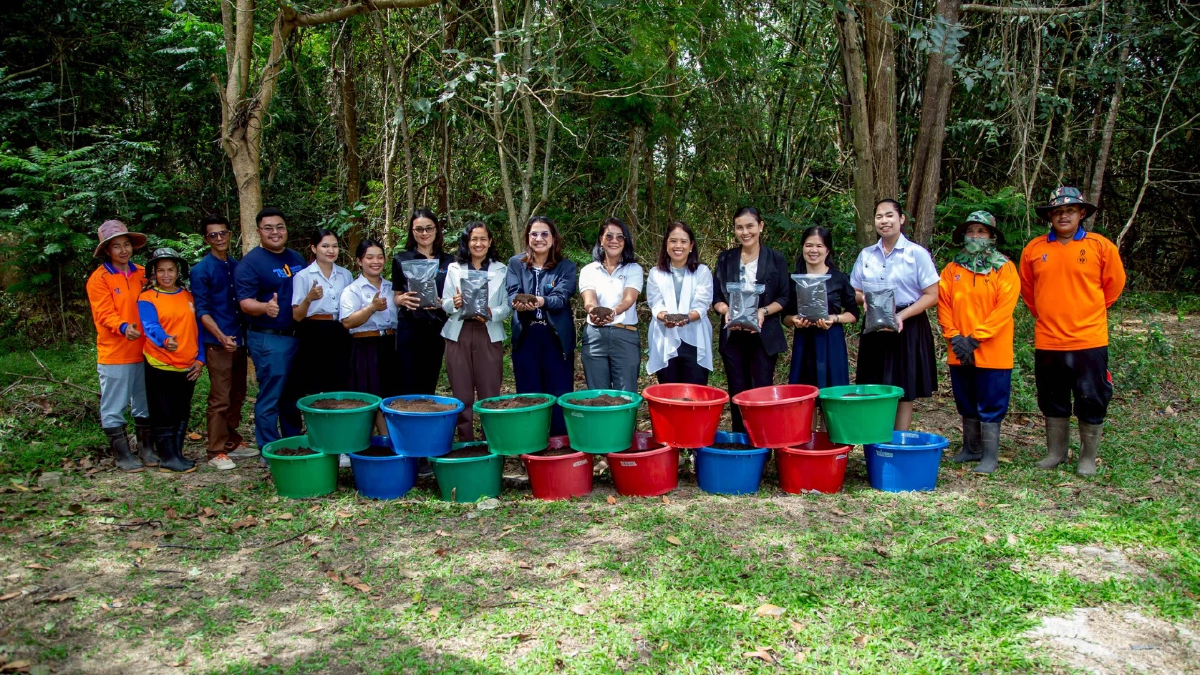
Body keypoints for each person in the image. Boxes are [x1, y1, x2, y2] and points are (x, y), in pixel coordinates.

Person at [1019, 186, 1126, 476]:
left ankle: (1087, 458)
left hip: (1088, 339)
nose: (1063, 216)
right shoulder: (1035, 249)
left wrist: (1085, 311)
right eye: (1057, 211)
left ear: (1081, 213)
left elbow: (1113, 287)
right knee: (1052, 396)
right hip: (1049, 339)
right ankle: (1056, 452)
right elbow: (1028, 291)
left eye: (1069, 210)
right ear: (1049, 217)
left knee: (1091, 397)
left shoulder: (1100, 246)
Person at [937, 211, 1019, 474]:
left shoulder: (1004, 267)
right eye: (971, 230)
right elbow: (944, 304)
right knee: (966, 399)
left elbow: (1004, 310)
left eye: (981, 231)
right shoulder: (952, 269)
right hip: (958, 348)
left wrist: (976, 338)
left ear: (992, 236)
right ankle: (971, 448)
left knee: (992, 401)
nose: (975, 235)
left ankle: (990, 456)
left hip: (992, 349)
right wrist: (955, 337)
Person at [850, 199, 940, 431]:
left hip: (907, 323)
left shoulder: (916, 254)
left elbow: (932, 294)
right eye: (879, 217)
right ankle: (875, 439)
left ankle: (897, 442)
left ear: (901, 219)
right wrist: (865, 300)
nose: (884, 221)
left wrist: (902, 316)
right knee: (873, 384)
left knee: (903, 388)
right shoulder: (867, 255)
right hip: (874, 323)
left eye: (889, 215)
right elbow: (856, 291)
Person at [85, 219, 157, 472]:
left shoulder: (141, 273)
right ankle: (122, 454)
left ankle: (146, 448)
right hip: (115, 352)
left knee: (144, 402)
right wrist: (124, 327)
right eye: (117, 247)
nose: (123, 251)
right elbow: (103, 314)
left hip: (146, 351)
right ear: (107, 250)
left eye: (126, 244)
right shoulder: (99, 279)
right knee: (114, 406)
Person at [234, 207, 307, 457]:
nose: (275, 232)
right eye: (268, 228)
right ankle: (268, 448)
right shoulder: (251, 263)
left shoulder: (296, 258)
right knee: (271, 393)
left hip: (297, 336)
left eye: (280, 227)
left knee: (292, 393)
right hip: (269, 337)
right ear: (258, 232)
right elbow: (245, 302)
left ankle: (293, 442)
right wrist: (265, 306)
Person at [711, 206, 790, 433]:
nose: (745, 232)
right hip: (733, 336)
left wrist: (763, 311)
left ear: (761, 226)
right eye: (739, 227)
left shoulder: (776, 258)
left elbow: (784, 296)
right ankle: (740, 444)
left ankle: (762, 445)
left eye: (750, 226)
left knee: (760, 392)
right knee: (737, 391)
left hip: (764, 337)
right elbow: (716, 297)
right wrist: (725, 308)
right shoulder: (726, 259)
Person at [507, 215, 578, 436]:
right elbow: (512, 294)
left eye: (544, 233)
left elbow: (560, 299)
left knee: (558, 392)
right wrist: (518, 302)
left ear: (553, 238)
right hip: (527, 336)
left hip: (555, 338)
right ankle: (531, 443)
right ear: (527, 238)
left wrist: (538, 301)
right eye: (534, 234)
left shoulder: (566, 267)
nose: (539, 238)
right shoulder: (515, 264)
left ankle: (558, 444)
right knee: (529, 395)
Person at [441, 222, 511, 441]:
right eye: (474, 239)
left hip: (488, 332)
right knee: (461, 393)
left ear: (490, 242)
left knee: (489, 392)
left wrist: (492, 312)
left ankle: (491, 442)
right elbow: (444, 303)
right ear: (467, 242)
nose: (478, 244)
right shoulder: (454, 269)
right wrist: (454, 302)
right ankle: (466, 443)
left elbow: (507, 306)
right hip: (458, 333)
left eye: (483, 239)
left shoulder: (502, 269)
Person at [137, 248, 205, 473]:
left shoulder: (187, 295)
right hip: (161, 363)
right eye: (161, 271)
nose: (166, 275)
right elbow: (150, 326)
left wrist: (201, 359)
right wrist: (165, 341)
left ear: (178, 271)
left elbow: (197, 330)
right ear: (153, 273)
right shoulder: (147, 297)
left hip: (188, 365)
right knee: (163, 412)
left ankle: (176, 454)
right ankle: (167, 458)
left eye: (171, 270)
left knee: (181, 412)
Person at [191, 215, 248, 471]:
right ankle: (215, 449)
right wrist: (220, 337)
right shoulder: (201, 270)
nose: (219, 238)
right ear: (206, 239)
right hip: (218, 343)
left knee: (238, 394)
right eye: (213, 235)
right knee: (220, 398)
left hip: (239, 339)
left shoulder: (237, 266)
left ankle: (232, 440)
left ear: (230, 234)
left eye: (222, 233)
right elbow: (202, 310)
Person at [783, 226, 858, 389]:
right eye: (809, 245)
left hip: (831, 341)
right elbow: (785, 317)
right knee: (804, 396)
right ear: (802, 247)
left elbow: (853, 314)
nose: (813, 250)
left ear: (828, 250)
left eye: (819, 246)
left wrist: (834, 318)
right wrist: (794, 320)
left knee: (832, 395)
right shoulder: (793, 279)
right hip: (804, 343)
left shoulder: (839, 278)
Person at [392, 208, 455, 395]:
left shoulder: (449, 261)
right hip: (409, 327)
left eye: (429, 228)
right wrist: (401, 299)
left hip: (436, 326)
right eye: (419, 229)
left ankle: (425, 420)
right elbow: (395, 296)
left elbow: (454, 295)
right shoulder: (401, 259)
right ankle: (405, 421)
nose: (424, 233)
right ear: (412, 231)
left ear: (436, 230)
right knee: (406, 379)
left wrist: (445, 301)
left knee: (429, 379)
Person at [340, 239, 399, 435]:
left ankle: (391, 438)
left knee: (391, 392)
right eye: (370, 257)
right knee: (370, 394)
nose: (376, 261)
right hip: (365, 345)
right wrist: (372, 308)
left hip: (390, 344)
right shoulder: (352, 290)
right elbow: (348, 322)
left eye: (380, 257)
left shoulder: (393, 288)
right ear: (359, 260)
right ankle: (378, 439)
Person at [579, 217, 644, 392]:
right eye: (609, 236)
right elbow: (589, 300)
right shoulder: (588, 270)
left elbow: (629, 299)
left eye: (619, 237)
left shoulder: (634, 269)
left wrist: (612, 312)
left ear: (625, 241)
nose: (614, 241)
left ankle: (625, 421)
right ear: (601, 239)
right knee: (598, 394)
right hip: (595, 336)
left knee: (626, 393)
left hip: (625, 335)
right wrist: (593, 311)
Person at [645, 221, 714, 385]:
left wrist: (686, 318)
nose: (678, 246)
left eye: (683, 241)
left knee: (694, 393)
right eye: (673, 240)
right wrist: (666, 317)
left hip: (695, 338)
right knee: (669, 393)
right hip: (664, 338)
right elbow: (655, 303)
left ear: (691, 245)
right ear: (666, 244)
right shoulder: (656, 273)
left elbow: (702, 303)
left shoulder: (702, 271)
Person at [291, 228, 353, 399]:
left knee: (340, 380)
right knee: (316, 383)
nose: (331, 250)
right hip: (314, 332)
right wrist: (309, 298)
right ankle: (318, 421)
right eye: (325, 246)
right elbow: (297, 315)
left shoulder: (345, 274)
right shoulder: (303, 276)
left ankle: (339, 421)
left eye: (334, 246)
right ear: (313, 248)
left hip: (340, 331)